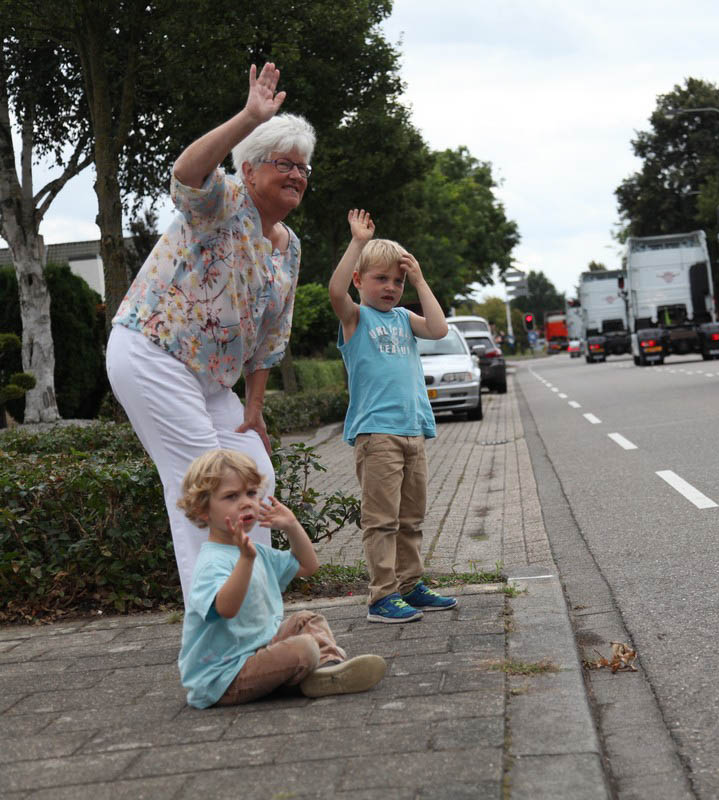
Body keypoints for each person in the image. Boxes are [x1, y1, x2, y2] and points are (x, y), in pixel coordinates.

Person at [106, 63, 311, 598]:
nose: (297, 175)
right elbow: (186, 173)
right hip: (154, 353)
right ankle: (218, 622)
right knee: (208, 486)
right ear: (249, 170)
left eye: (303, 167)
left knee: (256, 477)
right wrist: (249, 117)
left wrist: (254, 409)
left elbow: (271, 338)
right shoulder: (225, 201)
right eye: (285, 164)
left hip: (213, 379)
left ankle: (255, 607)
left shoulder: (289, 247)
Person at [176, 450, 385, 708]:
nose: (246, 503)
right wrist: (245, 561)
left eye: (251, 493)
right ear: (203, 510)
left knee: (306, 619)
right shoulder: (212, 562)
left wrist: (292, 526)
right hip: (223, 678)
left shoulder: (255, 552)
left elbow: (308, 565)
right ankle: (309, 670)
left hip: (256, 652)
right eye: (231, 496)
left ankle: (327, 669)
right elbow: (226, 608)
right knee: (304, 648)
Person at [329, 209, 457, 623]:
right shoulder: (356, 319)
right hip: (377, 435)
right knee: (382, 521)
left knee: (411, 519)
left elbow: (439, 329)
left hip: (413, 431)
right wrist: (358, 243)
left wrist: (419, 280)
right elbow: (334, 291)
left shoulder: (404, 318)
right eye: (381, 279)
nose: (391, 287)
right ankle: (381, 596)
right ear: (359, 280)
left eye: (398, 281)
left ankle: (410, 585)